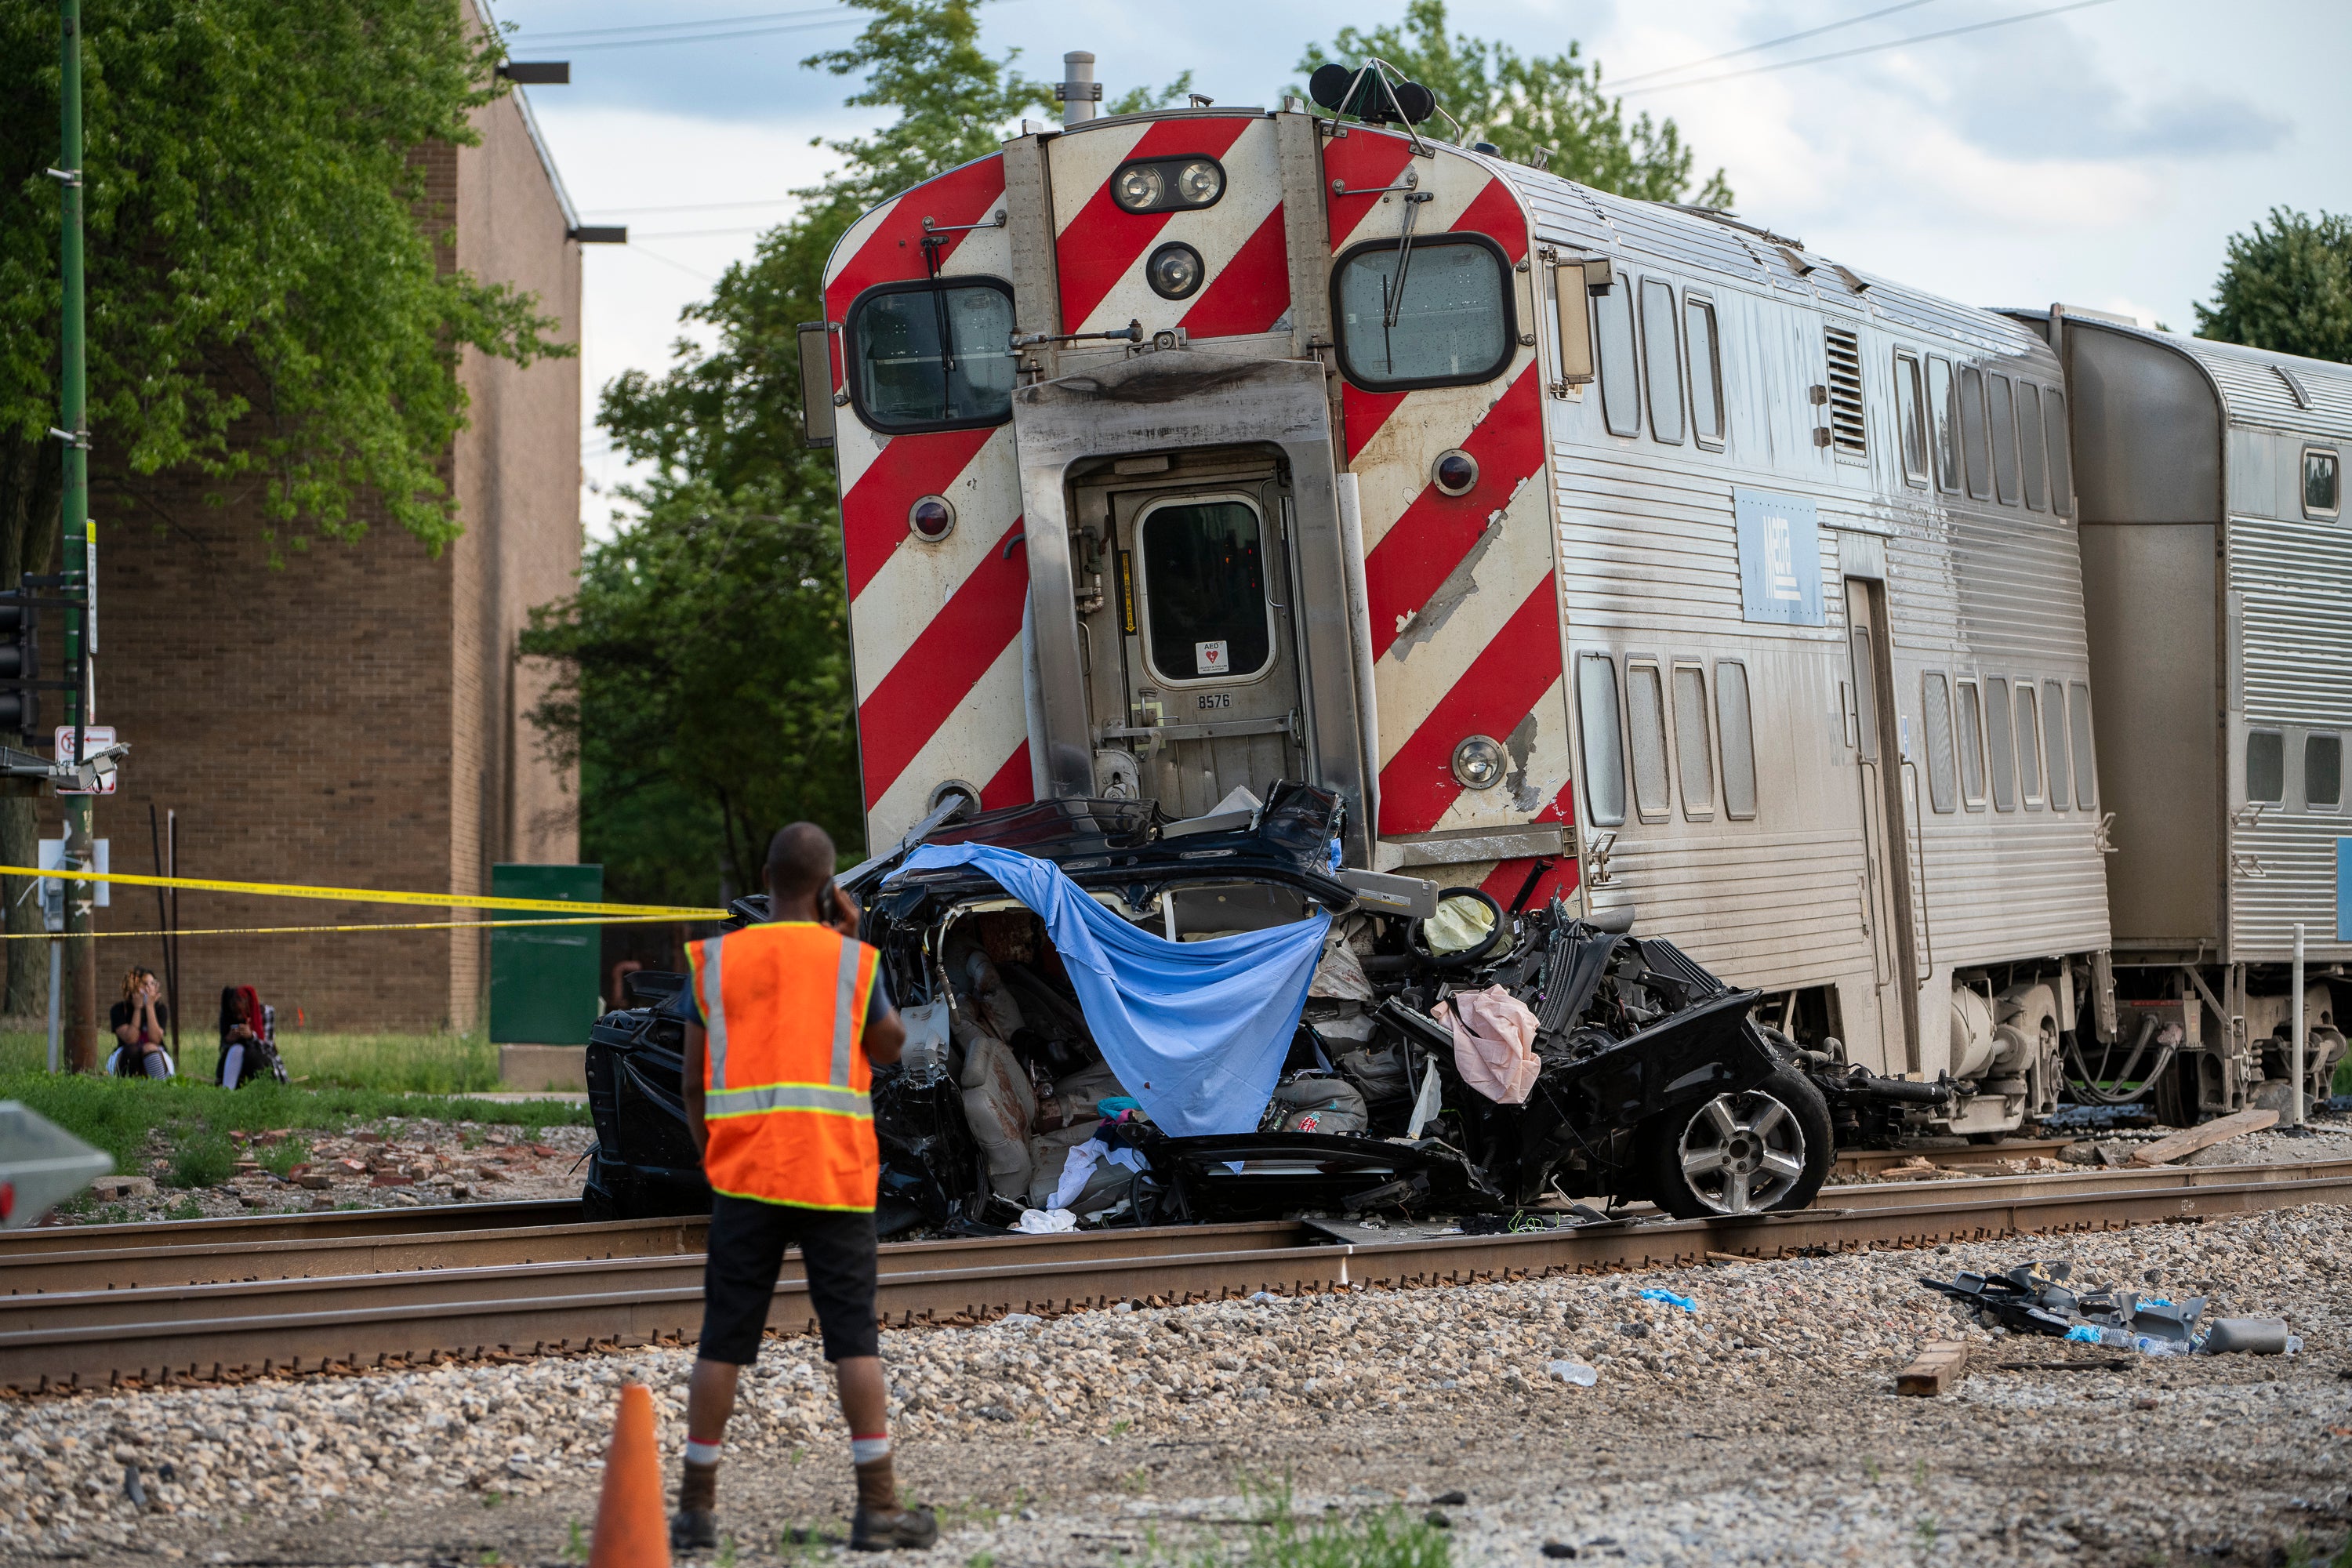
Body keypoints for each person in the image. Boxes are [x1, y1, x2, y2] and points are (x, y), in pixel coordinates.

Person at [672, 822, 935, 1554]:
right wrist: (850, 938)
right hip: (833, 1177)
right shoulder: (850, 962)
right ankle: (878, 1507)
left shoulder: (717, 962)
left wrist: (714, 1159)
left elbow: (692, 1080)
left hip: (745, 1176)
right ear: (827, 889)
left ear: (764, 876)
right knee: (854, 1340)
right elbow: (890, 1048)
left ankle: (696, 1511)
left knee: (722, 1341)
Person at [107, 967, 172, 1078]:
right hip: (126, 1056)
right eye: (145, 984)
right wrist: (138, 1009)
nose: (149, 988)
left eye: (153, 983)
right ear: (134, 987)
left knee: (150, 1047)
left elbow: (156, 1039)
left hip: (154, 1055)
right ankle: (126, 1084)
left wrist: (150, 1006)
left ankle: (161, 1084)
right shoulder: (119, 1009)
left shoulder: (160, 1009)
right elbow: (131, 1039)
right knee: (133, 1049)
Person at [216, 985, 286, 1088]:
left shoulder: (266, 1012)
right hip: (238, 1063)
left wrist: (251, 1036)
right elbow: (223, 1049)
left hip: (262, 1062)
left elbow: (268, 1048)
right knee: (236, 1049)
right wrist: (229, 1040)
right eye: (235, 1013)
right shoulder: (228, 1015)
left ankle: (264, 1089)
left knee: (250, 1054)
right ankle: (227, 1091)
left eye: (240, 1012)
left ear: (248, 1004)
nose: (238, 1016)